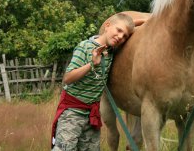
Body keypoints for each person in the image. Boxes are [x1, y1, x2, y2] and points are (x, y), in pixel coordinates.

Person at [51, 13, 136, 151]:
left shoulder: (111, 50)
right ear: (107, 26)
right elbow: (68, 78)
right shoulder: (84, 47)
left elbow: (126, 24)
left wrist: (148, 19)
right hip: (72, 113)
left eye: (125, 36)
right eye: (119, 31)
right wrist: (92, 64)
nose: (121, 36)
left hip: (92, 114)